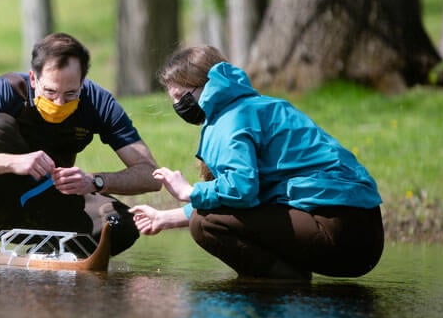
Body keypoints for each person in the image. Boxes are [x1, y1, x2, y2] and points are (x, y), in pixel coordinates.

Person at [130, 45, 384, 280]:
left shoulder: (232, 120)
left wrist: (190, 192)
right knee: (209, 215)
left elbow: (242, 190)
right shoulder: (254, 106)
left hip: (338, 230)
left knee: (205, 224)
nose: (177, 105)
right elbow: (243, 198)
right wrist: (165, 218)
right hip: (364, 234)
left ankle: (279, 285)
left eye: (179, 95)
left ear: (202, 85)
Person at [0, 32, 159, 255]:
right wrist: (12, 163)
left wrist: (95, 181)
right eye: (50, 92)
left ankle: (49, 255)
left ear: (83, 82)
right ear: (34, 78)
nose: (59, 102)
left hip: (47, 197)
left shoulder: (99, 103)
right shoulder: (3, 91)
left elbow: (150, 174)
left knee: (122, 224)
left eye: (70, 94)